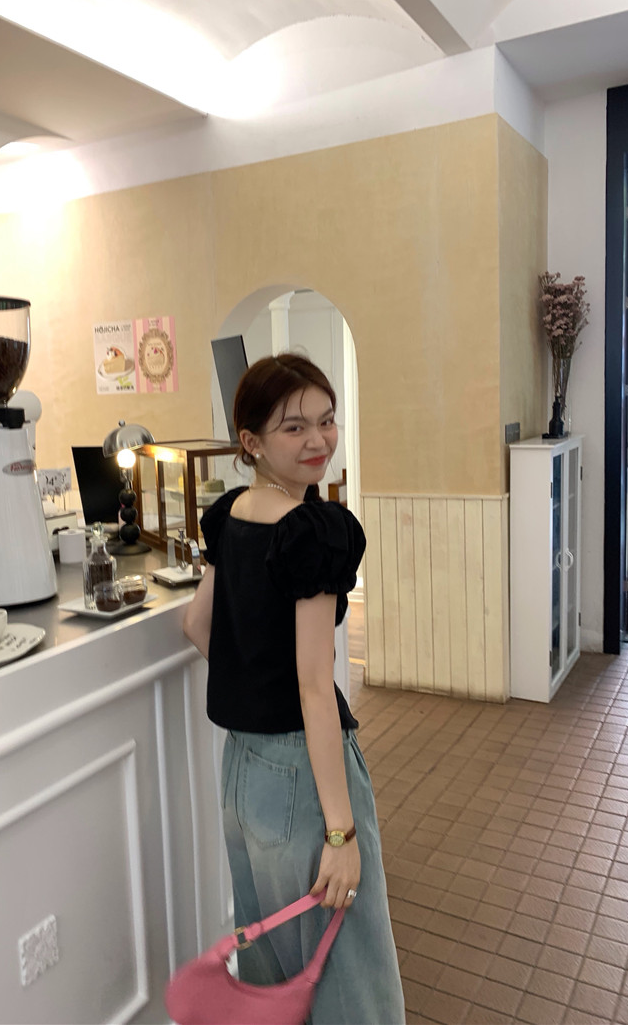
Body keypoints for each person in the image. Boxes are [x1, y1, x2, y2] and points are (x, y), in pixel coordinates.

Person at [183, 353, 405, 1025]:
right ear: (251, 441)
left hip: (241, 771)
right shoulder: (312, 533)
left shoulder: (231, 513)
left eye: (327, 420)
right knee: (351, 979)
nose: (318, 440)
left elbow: (196, 625)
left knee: (271, 970)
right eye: (294, 427)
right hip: (304, 774)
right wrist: (341, 832)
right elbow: (314, 685)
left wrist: (256, 679)